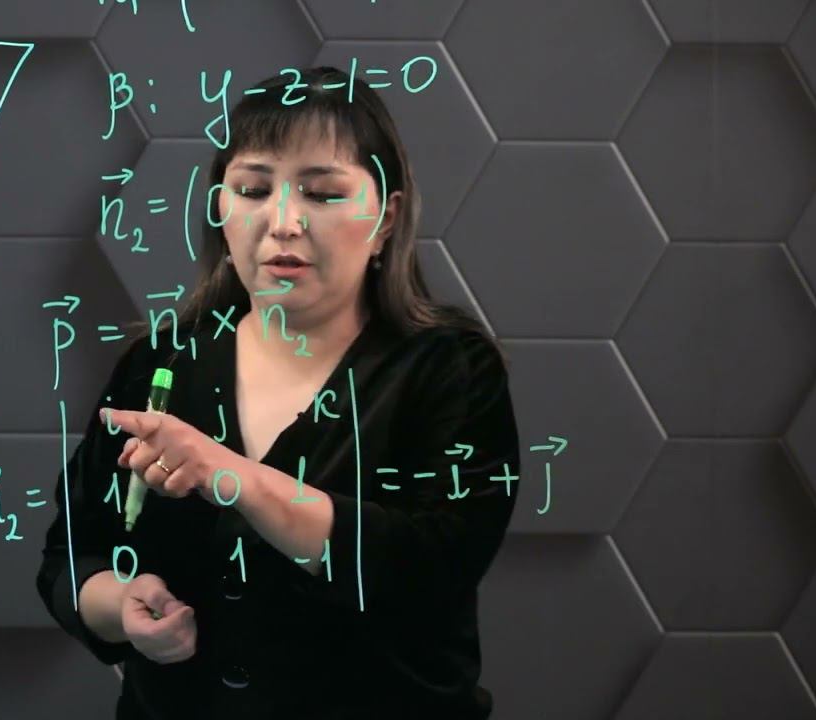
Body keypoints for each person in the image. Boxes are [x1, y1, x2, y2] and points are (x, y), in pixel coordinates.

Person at [35, 66, 520, 719]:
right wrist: (120, 604)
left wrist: (231, 476)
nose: (283, 221)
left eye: (322, 194)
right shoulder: (161, 363)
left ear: (386, 218)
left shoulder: (449, 369)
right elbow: (70, 556)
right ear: (220, 207)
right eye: (253, 189)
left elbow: (433, 569)